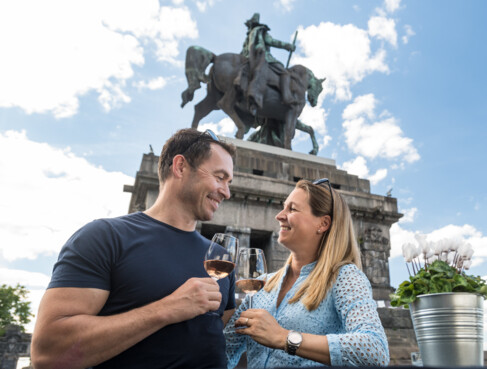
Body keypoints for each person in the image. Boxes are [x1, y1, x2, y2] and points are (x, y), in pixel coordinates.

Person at [31, 128, 237, 369]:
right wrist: (168, 308)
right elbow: (48, 353)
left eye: (229, 182)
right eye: (220, 177)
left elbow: (216, 333)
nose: (227, 192)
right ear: (180, 167)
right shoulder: (104, 237)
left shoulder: (222, 259)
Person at [225, 179, 390, 368]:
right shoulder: (260, 285)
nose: (279, 216)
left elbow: (375, 350)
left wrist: (283, 338)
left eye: (292, 209)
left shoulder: (344, 277)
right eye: (283, 208)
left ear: (323, 223)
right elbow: (223, 351)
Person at [238, 13, 296, 112]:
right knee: (285, 73)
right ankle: (287, 97)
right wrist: (287, 46)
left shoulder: (249, 36)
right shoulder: (261, 30)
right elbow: (271, 41)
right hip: (262, 56)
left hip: (248, 56)